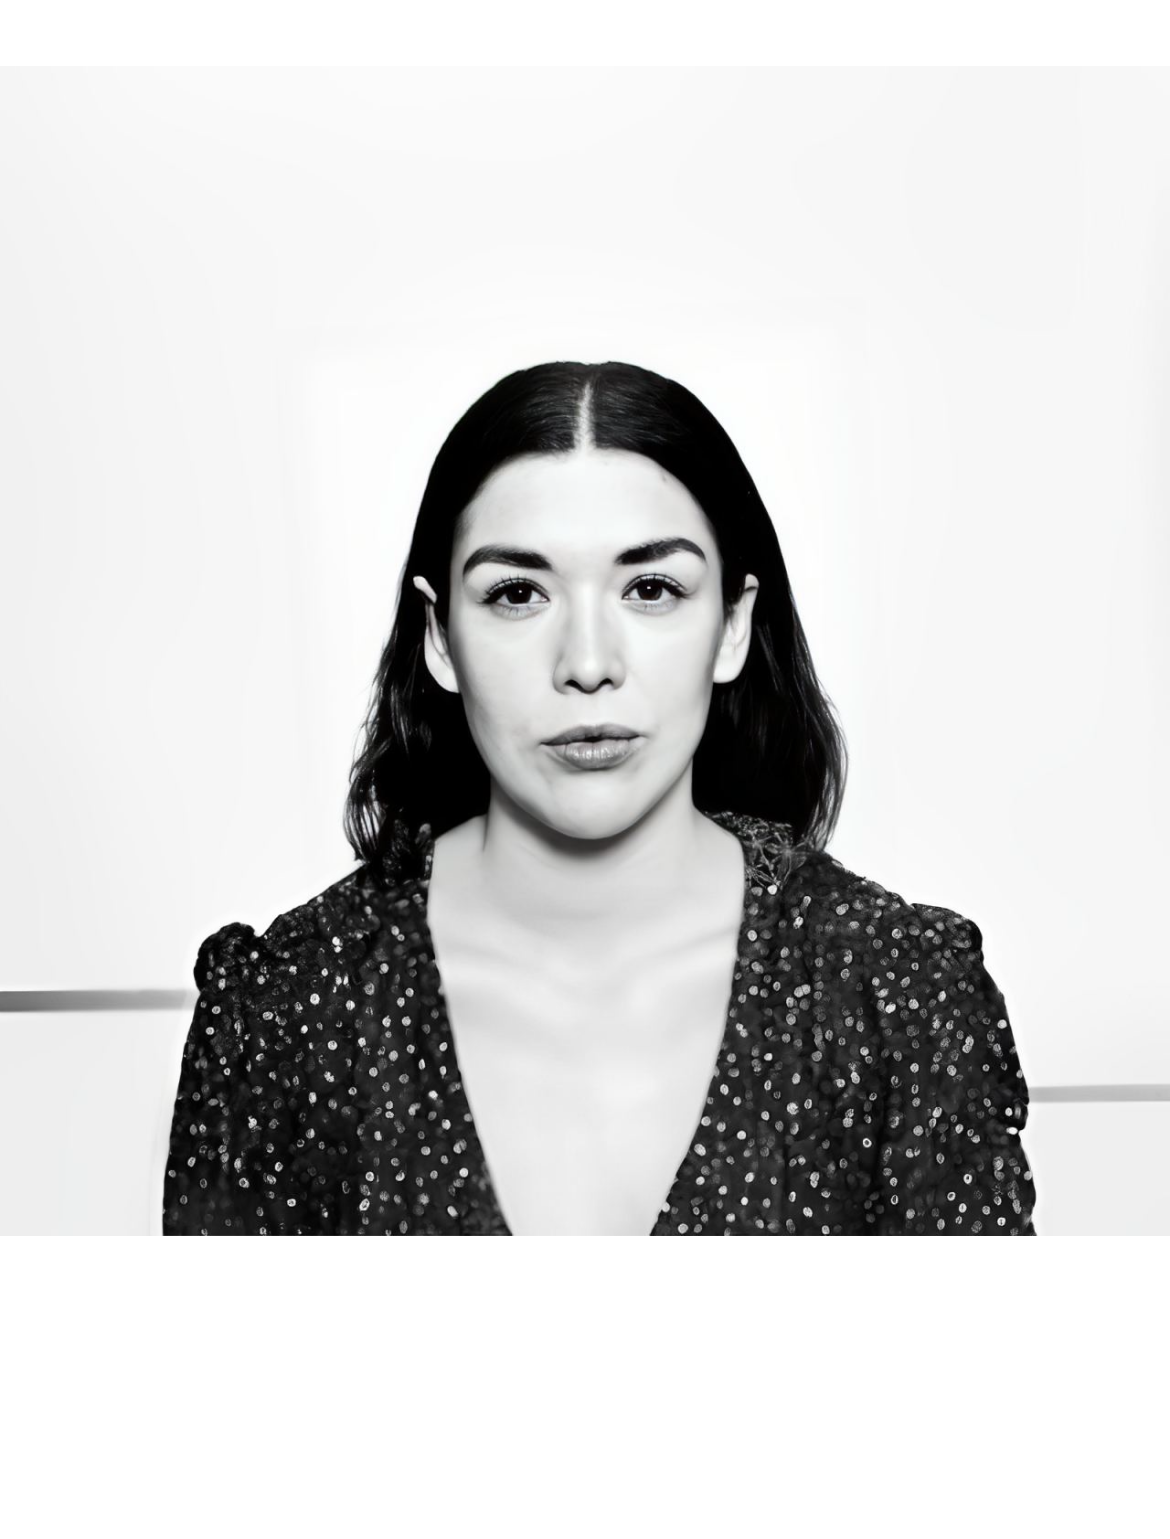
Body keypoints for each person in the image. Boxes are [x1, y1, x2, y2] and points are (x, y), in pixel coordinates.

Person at [163, 358, 1035, 1237]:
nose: (587, 664)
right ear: (440, 637)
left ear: (733, 624)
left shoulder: (900, 996)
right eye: (517, 594)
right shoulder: (286, 1009)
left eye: (651, 589)